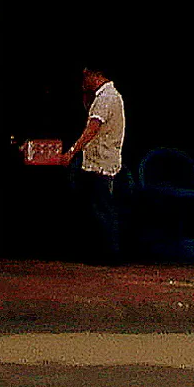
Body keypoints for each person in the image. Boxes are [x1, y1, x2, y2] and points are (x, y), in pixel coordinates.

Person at [71, 61, 127, 265]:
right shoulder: (102, 97)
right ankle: (102, 251)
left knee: (102, 208)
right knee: (98, 207)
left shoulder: (107, 98)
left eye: (86, 76)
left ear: (95, 75)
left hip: (101, 162)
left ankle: (109, 254)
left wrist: (72, 151)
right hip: (98, 160)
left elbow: (92, 129)